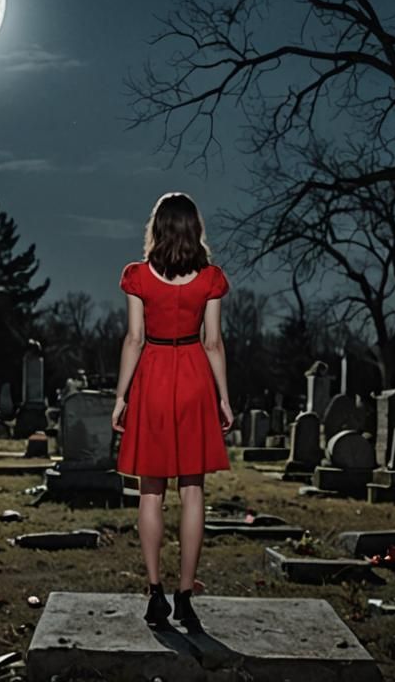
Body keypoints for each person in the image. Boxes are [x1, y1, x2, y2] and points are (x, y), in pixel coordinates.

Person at [112, 192, 233, 632]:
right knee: (193, 491)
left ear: (157, 229)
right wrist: (223, 397)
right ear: (194, 229)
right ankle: (185, 594)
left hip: (154, 380)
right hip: (195, 379)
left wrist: (122, 395)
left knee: (150, 491)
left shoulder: (138, 277)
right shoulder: (212, 279)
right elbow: (214, 342)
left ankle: (155, 593)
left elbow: (134, 339)